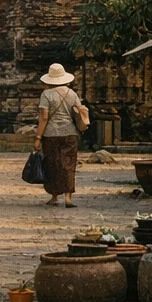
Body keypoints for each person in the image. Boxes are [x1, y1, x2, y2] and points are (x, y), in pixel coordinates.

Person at [34, 63, 87, 208]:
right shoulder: (72, 94)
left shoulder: (46, 94)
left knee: (52, 164)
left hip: (51, 134)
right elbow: (79, 112)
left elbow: (44, 117)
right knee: (69, 164)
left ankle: (55, 196)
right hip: (70, 133)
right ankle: (68, 197)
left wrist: (38, 137)